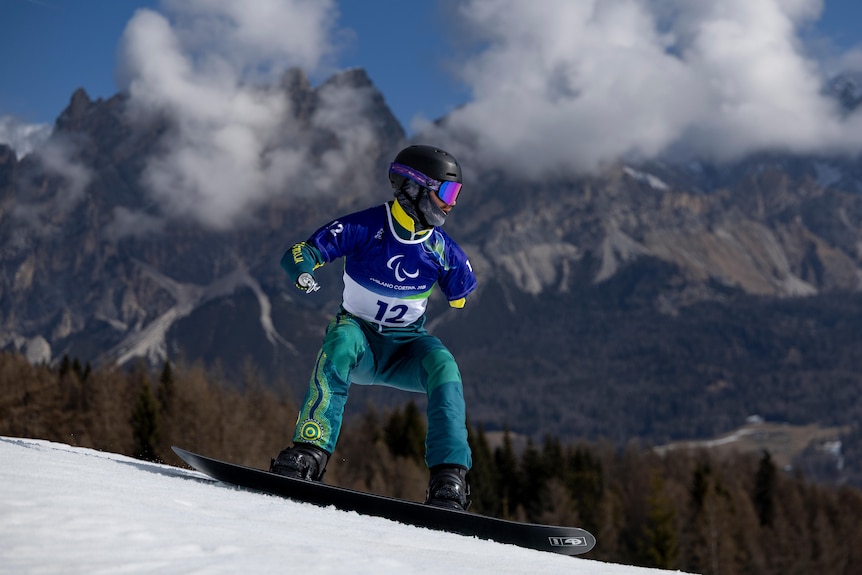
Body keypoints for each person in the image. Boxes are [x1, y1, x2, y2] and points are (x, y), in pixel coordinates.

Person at [271, 144, 478, 510]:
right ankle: (309, 451)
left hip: (406, 349)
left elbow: (461, 294)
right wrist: (303, 272)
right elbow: (300, 253)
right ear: (413, 188)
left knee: (444, 365)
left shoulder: (443, 251)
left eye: (456, 194)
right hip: (360, 342)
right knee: (340, 341)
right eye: (446, 192)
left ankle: (449, 480)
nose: (452, 204)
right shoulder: (366, 226)